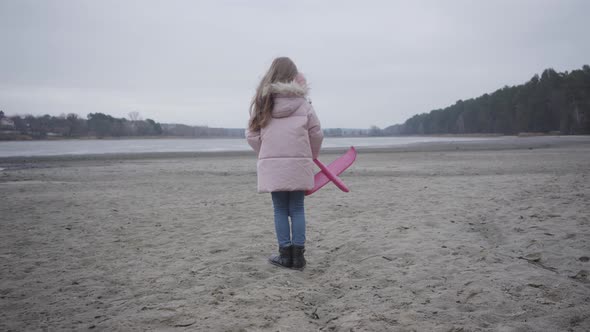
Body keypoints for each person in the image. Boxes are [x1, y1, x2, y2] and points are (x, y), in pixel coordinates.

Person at [246, 57, 323, 270]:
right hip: (299, 164)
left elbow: (251, 135)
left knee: (280, 208)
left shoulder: (263, 103)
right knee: (297, 208)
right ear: (293, 77)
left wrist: (267, 154)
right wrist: (311, 156)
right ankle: (298, 258)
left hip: (273, 166)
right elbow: (316, 134)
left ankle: (284, 254)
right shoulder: (304, 104)